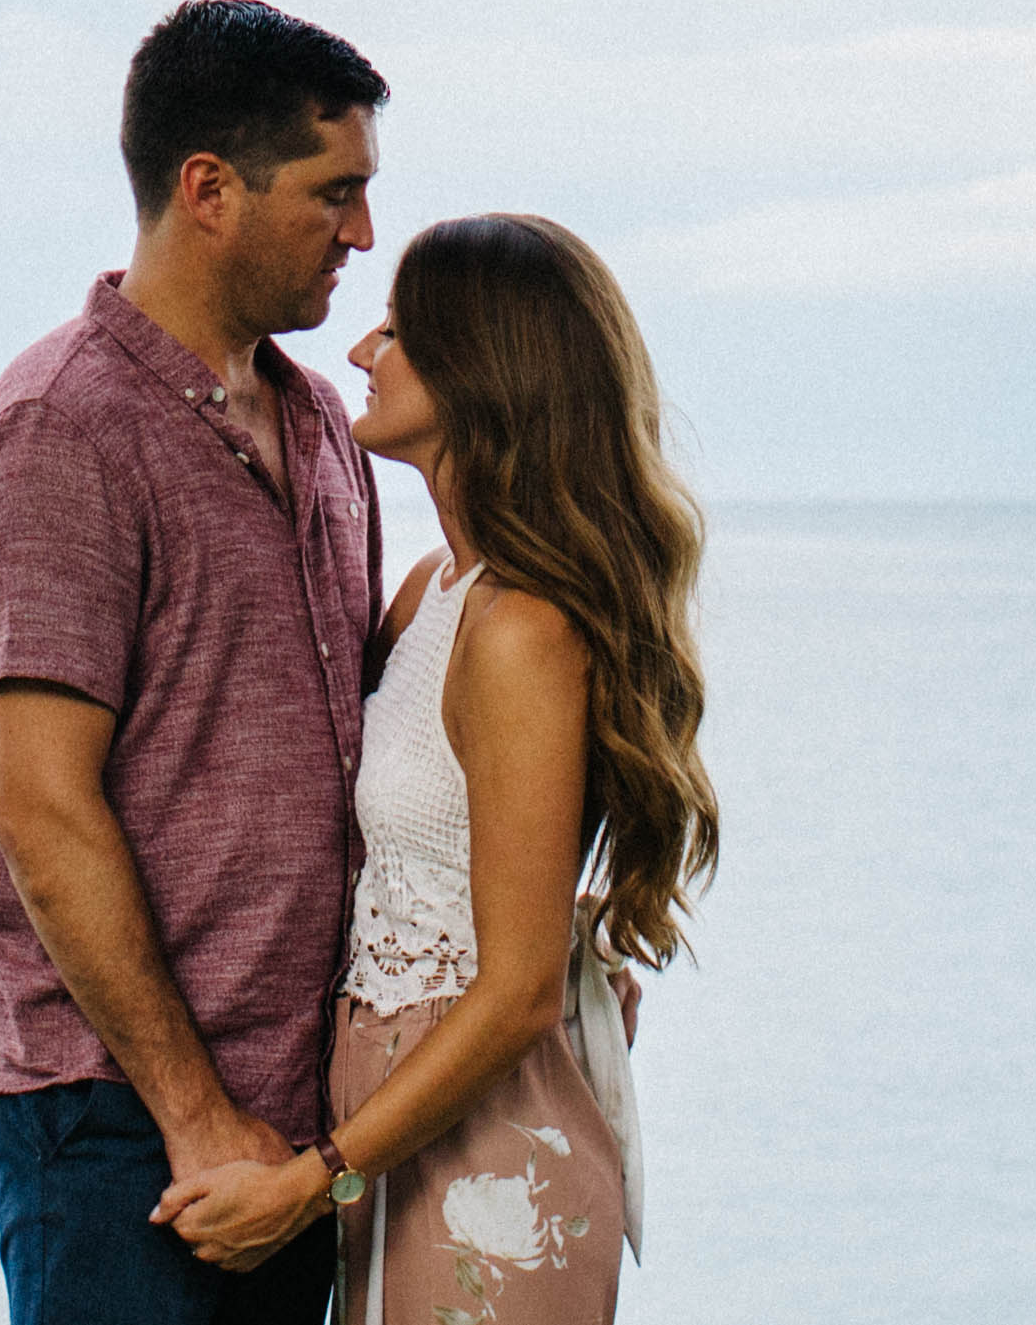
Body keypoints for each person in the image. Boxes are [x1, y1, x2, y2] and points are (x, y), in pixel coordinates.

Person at [156, 213, 712, 1321]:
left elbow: (510, 995)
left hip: (484, 1136)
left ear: (481, 367)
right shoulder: (428, 593)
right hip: (393, 1108)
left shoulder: (522, 630)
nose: (361, 349)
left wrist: (310, 1181)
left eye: (401, 329)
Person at [0, 0, 392, 1322]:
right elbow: (37, 801)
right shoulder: (60, 425)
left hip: (294, 1126)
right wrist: (193, 1115)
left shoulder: (318, 418)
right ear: (208, 187)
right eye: (334, 192)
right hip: (119, 1120)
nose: (361, 235)